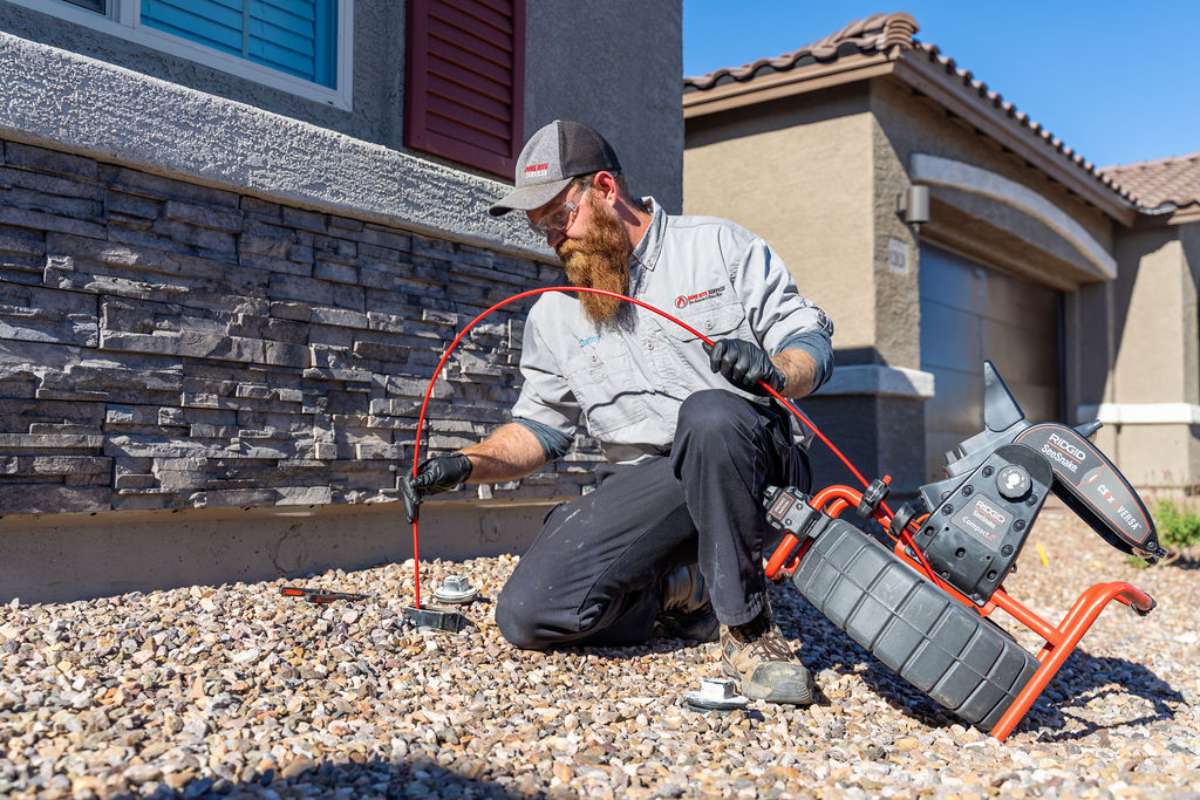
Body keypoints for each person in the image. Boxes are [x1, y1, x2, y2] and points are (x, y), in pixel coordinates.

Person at [401, 120, 834, 706]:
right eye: (541, 227)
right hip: (653, 487)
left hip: (750, 461)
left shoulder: (716, 248)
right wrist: (465, 465)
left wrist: (775, 370)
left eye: (560, 216)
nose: (553, 237)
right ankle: (688, 588)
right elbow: (538, 430)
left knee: (709, 416)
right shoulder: (555, 317)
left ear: (604, 189)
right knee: (531, 614)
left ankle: (750, 631)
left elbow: (810, 341)